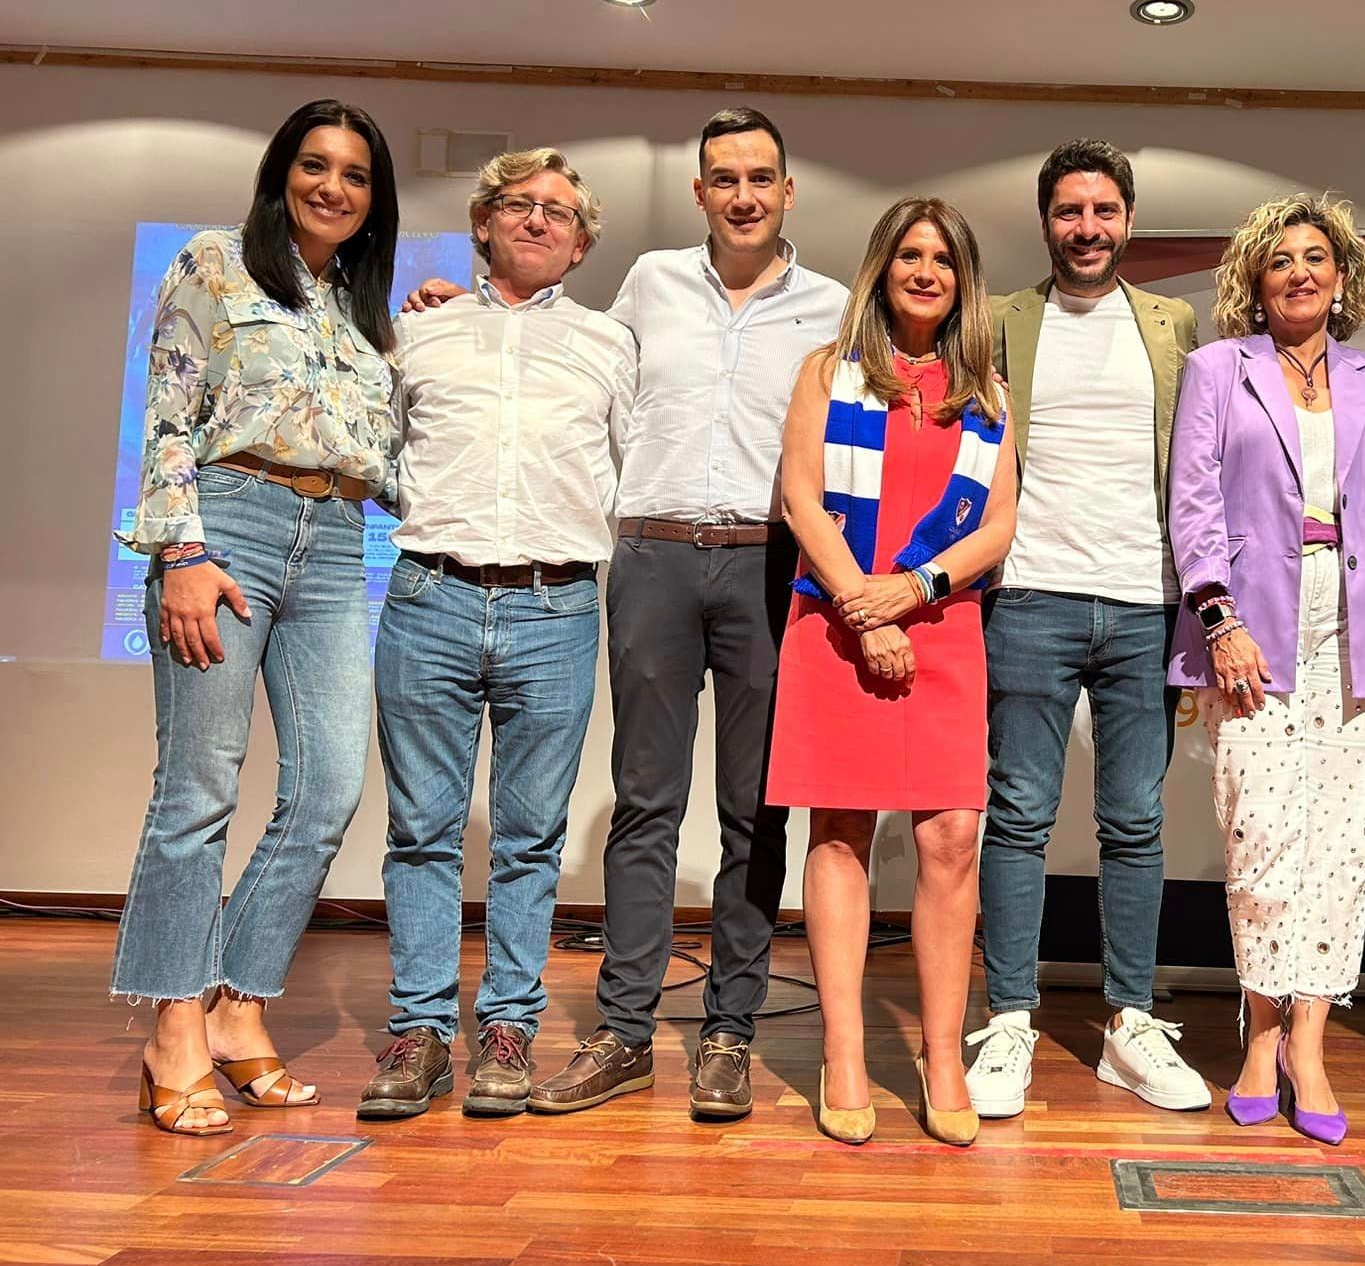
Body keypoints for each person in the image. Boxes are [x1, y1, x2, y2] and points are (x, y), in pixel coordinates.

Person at [405, 109, 847, 1120]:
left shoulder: (827, 307)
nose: (742, 194)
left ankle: (729, 1032)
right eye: (723, 178)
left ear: (787, 193)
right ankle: (624, 1033)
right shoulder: (646, 283)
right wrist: (452, 301)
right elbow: (556, 356)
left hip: (769, 566)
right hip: (648, 557)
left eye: (761, 178)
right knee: (645, 803)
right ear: (698, 193)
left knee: (753, 810)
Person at [114, 98, 400, 1135]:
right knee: (197, 790)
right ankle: (173, 1028)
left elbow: (388, 457)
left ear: (375, 203)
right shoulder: (214, 260)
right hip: (224, 523)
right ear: (283, 172)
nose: (333, 186)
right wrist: (181, 551)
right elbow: (170, 411)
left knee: (327, 786)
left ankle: (239, 1008)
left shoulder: (363, 314)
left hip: (333, 541)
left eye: (355, 175)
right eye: (315, 165)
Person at [358, 150, 636, 1121]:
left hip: (555, 609)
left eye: (559, 212)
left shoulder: (609, 344)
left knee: (528, 839)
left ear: (582, 242)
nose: (537, 220)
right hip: (429, 598)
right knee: (422, 833)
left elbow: (628, 469)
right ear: (482, 222)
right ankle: (420, 1030)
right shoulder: (417, 334)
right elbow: (376, 458)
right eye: (518, 204)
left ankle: (508, 1024)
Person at [1167, 192, 1365, 1145]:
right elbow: (1193, 501)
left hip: (1361, 625)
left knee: (1340, 840)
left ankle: (1312, 1046)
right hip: (1254, 625)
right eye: (1281, 259)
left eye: (1316, 257)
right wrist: (1219, 617)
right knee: (1261, 833)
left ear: (1343, 276)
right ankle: (1260, 1034)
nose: (1300, 272)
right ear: (1255, 276)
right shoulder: (1217, 370)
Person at [967, 140, 1210, 1121]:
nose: (1087, 228)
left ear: (1127, 220)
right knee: (1018, 815)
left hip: (1144, 602)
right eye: (1069, 211)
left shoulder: (1173, 322)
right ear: (1044, 223)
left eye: (1103, 210)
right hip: (1027, 595)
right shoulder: (998, 323)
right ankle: (1011, 1022)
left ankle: (1127, 1027)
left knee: (1134, 824)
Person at [771, 197, 1019, 1146]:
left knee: (953, 836)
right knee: (839, 830)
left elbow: (997, 525)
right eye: (909, 255)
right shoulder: (828, 373)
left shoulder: (987, 391)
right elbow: (800, 494)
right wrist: (861, 606)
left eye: (943, 260)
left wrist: (910, 591)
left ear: (964, 281)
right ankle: (843, 1052)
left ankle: (944, 1054)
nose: (925, 272)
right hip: (834, 620)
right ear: (881, 268)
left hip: (942, 622)